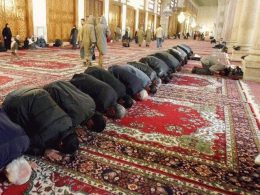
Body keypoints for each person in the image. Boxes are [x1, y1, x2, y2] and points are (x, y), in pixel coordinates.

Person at [2, 87, 79, 161]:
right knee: (17, 132)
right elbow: (24, 145)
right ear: (61, 143)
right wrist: (43, 151)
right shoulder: (44, 138)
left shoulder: (69, 121)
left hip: (32, 90)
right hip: (12, 102)